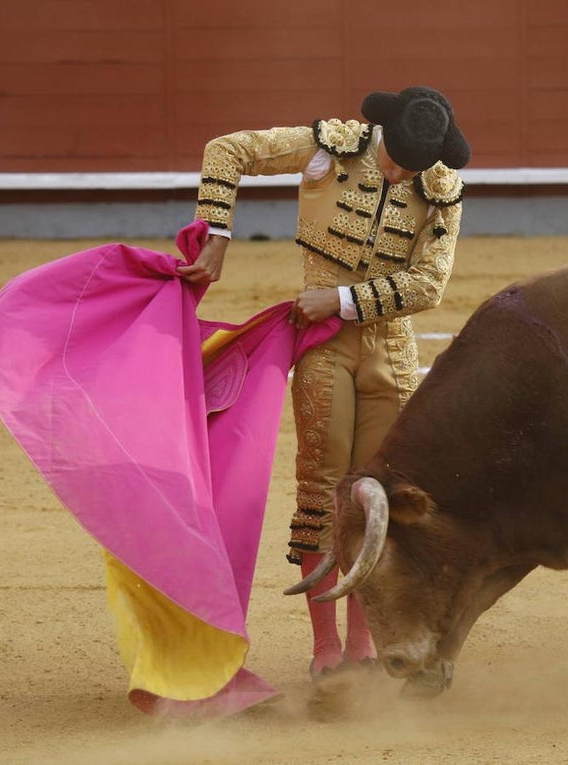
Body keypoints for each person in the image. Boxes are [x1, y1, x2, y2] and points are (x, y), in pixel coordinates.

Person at [179, 86, 470, 682]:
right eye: (393, 156)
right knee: (322, 489)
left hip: (392, 351)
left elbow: (429, 286)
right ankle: (324, 646)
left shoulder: (440, 187)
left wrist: (339, 299)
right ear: (382, 130)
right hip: (322, 350)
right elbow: (227, 151)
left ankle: (363, 644)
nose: (397, 171)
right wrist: (217, 234)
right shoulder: (331, 149)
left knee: (380, 496)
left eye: (410, 166)